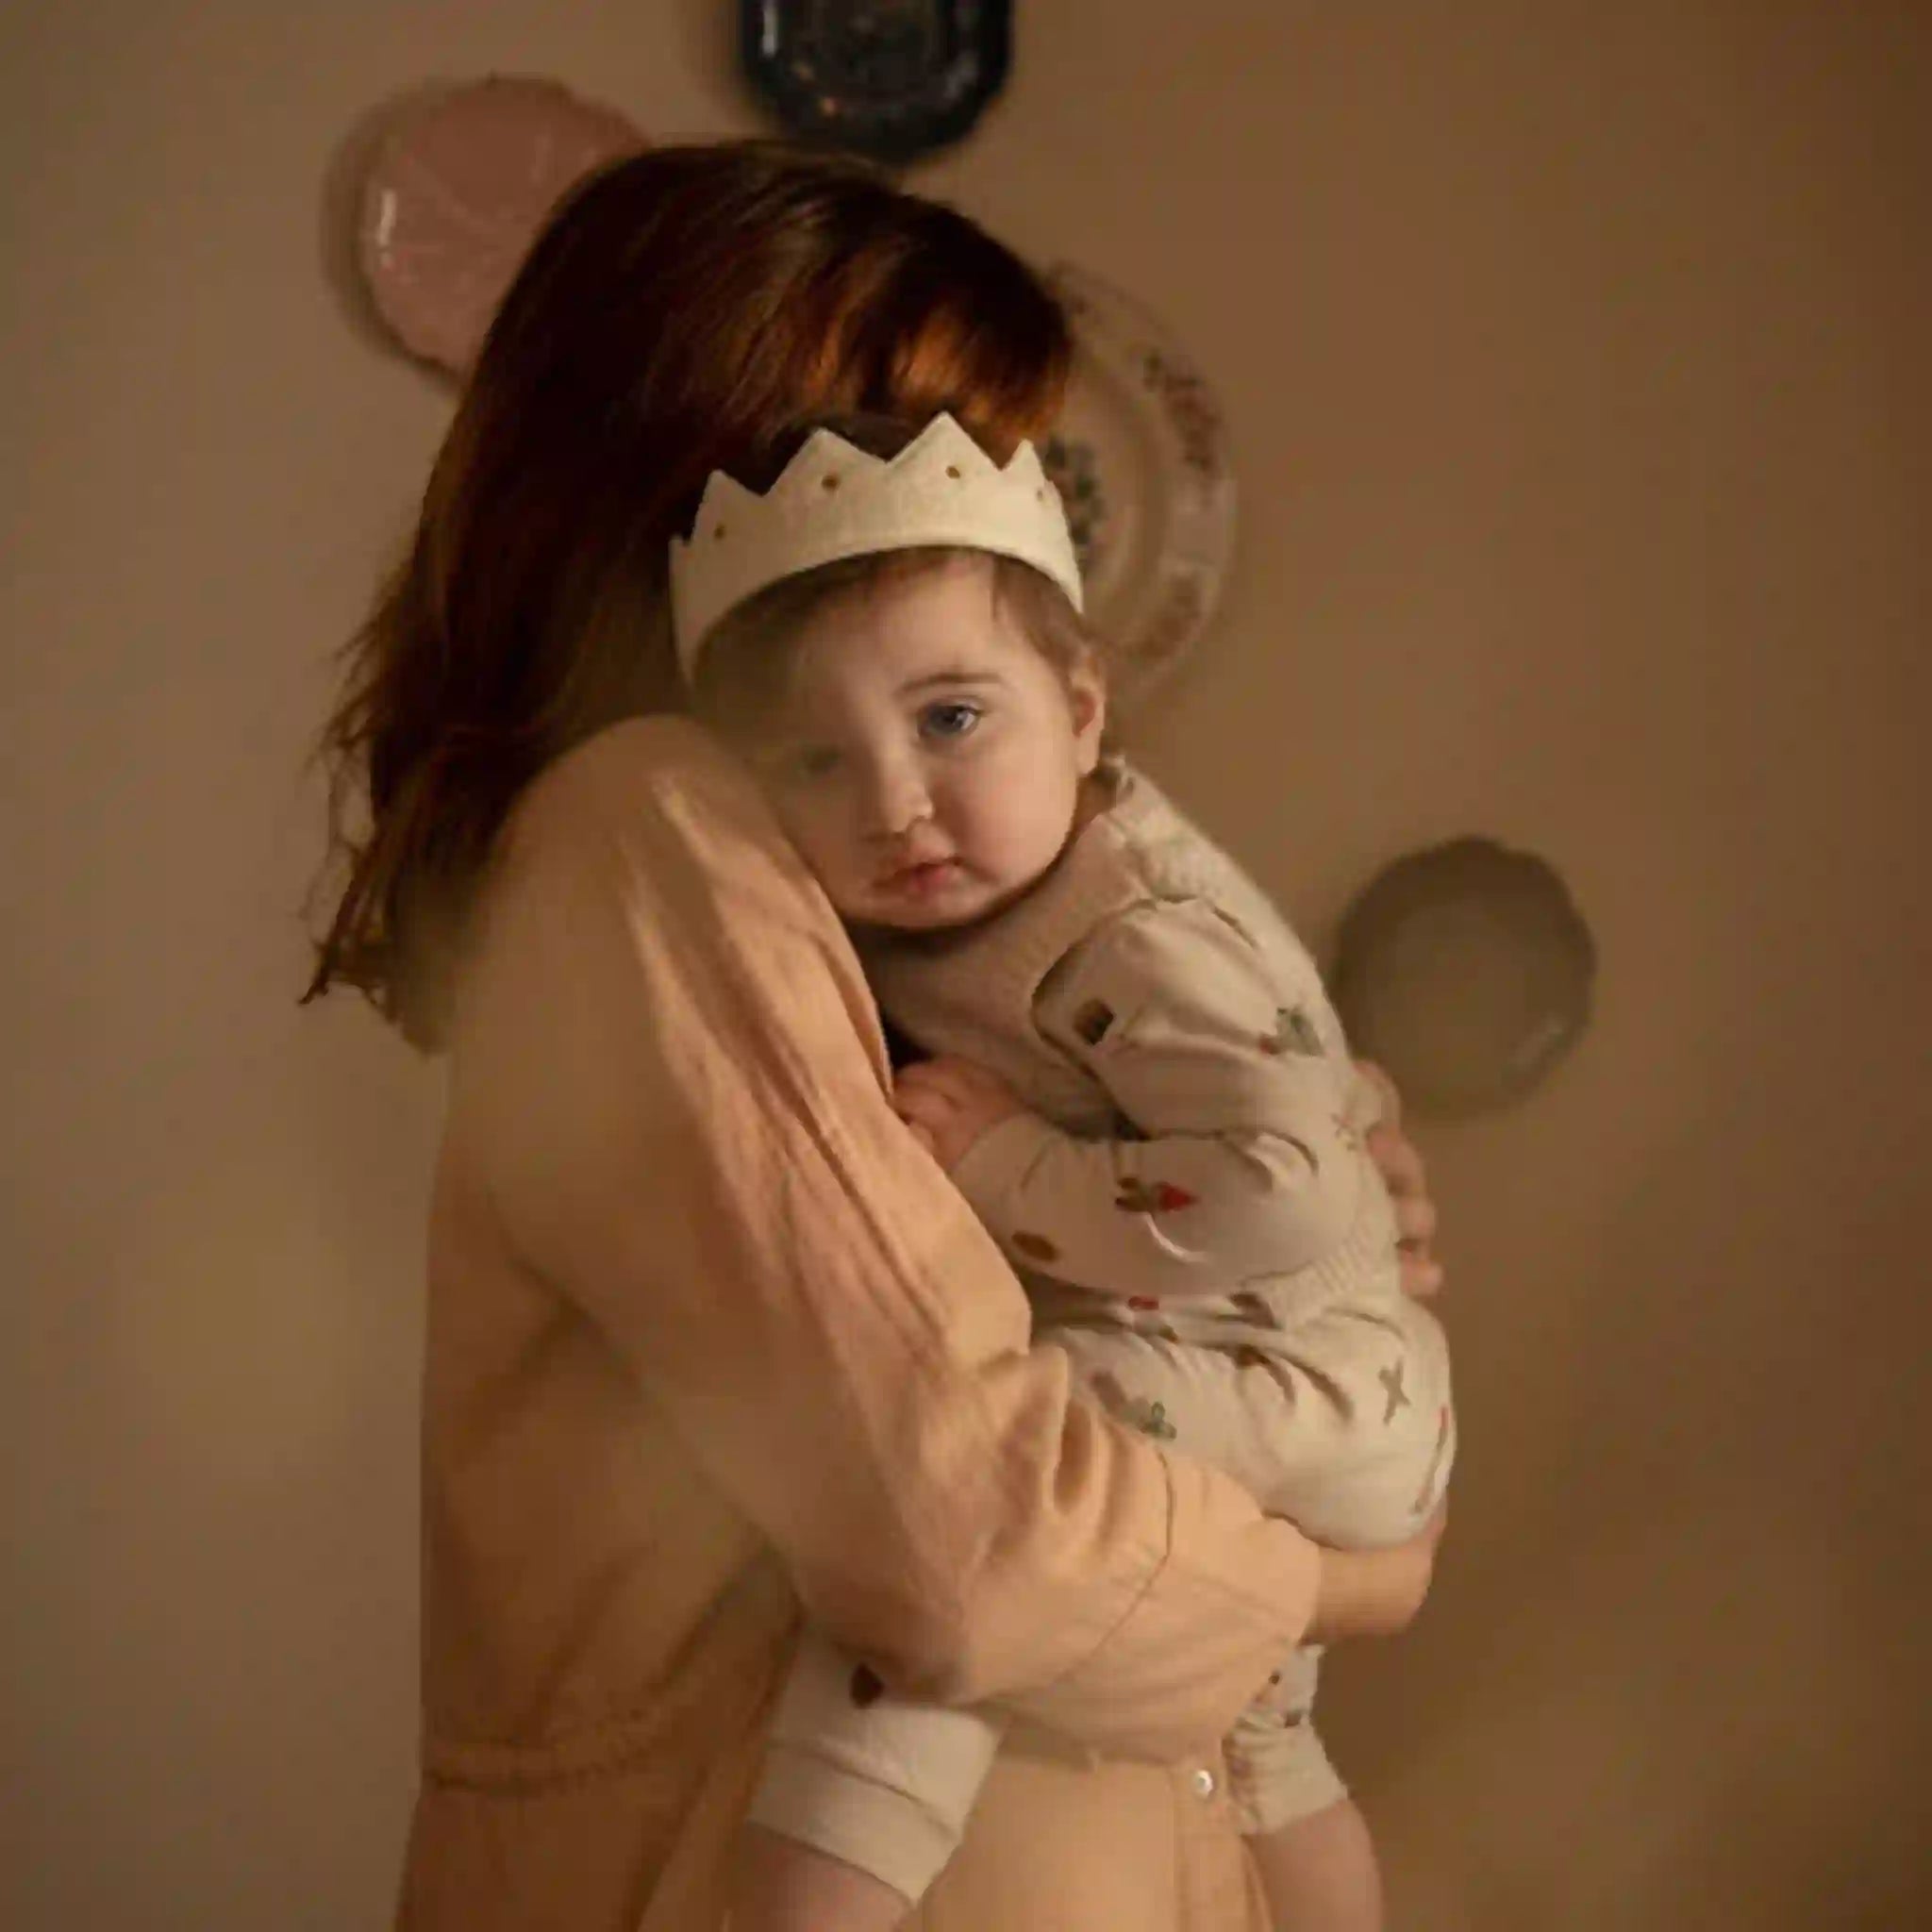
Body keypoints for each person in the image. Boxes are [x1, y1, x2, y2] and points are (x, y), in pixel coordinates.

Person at [305, 142, 1447, 1932]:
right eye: (924, 457)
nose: (960, 508)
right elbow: (979, 1544)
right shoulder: (654, 831)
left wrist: (1259, 1227)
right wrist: (1343, 1569)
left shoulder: (850, 899)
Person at [675, 414, 1453, 1932]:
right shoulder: (969, 905)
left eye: (953, 720)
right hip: (1290, 1375)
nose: (896, 803)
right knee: (1274, 1741)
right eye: (819, 760)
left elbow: (1289, 1183)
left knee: (974, 1492)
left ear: (1084, 708)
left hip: (1303, 1371)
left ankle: (812, 1890)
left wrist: (1014, 1164)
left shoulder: (1140, 926)